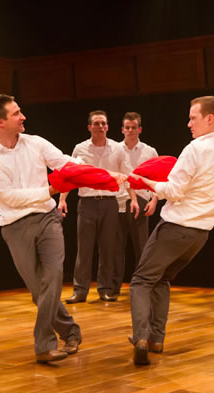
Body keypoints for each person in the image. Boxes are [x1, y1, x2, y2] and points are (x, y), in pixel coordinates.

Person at [128, 96, 214, 365]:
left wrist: (141, 181)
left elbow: (174, 191)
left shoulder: (195, 149)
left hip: (177, 227)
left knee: (141, 281)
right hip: (200, 234)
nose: (188, 123)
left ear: (209, 119)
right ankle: (156, 338)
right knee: (162, 279)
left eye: (193, 118)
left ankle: (141, 339)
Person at [0, 94, 85, 364]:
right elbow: (9, 197)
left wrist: (99, 173)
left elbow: (64, 162)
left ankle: (44, 345)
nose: (23, 116)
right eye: (16, 114)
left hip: (48, 218)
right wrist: (49, 189)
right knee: (40, 291)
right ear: (0, 122)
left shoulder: (35, 143)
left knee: (53, 276)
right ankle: (70, 330)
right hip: (15, 227)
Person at [59, 110, 131, 303]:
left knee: (108, 248)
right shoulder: (80, 148)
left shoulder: (117, 148)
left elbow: (126, 175)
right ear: (89, 127)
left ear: (108, 126)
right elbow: (70, 175)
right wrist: (62, 199)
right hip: (87, 203)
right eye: (96, 124)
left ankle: (106, 289)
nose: (100, 127)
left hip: (109, 202)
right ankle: (80, 290)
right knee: (84, 249)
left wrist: (132, 199)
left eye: (103, 123)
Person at [112, 112, 158, 296]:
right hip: (117, 200)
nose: (130, 131)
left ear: (140, 129)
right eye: (127, 128)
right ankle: (113, 288)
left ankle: (143, 286)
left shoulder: (149, 151)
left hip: (140, 198)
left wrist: (154, 201)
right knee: (115, 246)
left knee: (142, 245)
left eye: (134, 127)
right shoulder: (114, 149)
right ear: (122, 129)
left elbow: (158, 178)